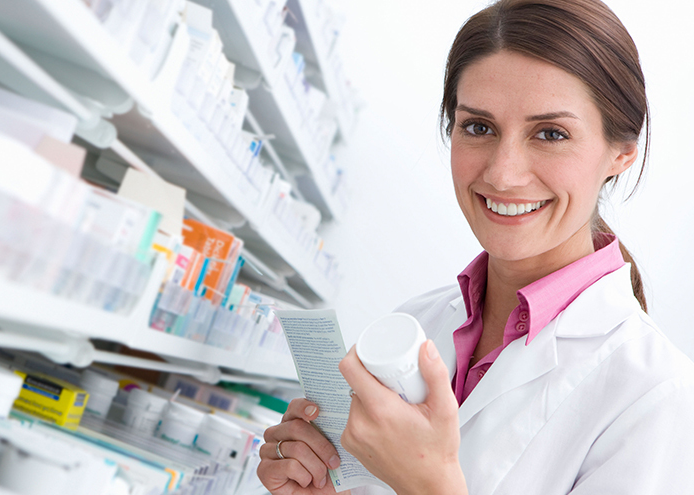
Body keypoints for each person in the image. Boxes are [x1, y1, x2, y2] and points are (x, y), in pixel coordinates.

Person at [256, 0, 694, 493]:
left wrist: (429, 485)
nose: (503, 172)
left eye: (551, 133)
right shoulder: (418, 324)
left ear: (621, 153)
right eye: (479, 128)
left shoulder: (657, 394)